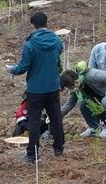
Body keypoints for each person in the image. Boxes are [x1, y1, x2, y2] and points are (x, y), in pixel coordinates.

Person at [8, 11, 65, 162]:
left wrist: (11, 69)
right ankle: (59, 149)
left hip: (36, 89)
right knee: (55, 118)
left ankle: (33, 154)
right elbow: (58, 55)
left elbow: (23, 67)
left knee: (33, 120)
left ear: (33, 25)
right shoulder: (57, 40)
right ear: (47, 22)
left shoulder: (30, 44)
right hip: (53, 86)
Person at [61, 67, 106, 141]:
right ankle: (95, 128)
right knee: (82, 103)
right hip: (99, 99)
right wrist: (57, 115)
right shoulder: (77, 88)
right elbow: (69, 104)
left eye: (70, 87)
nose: (71, 89)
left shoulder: (93, 75)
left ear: (76, 82)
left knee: (105, 102)